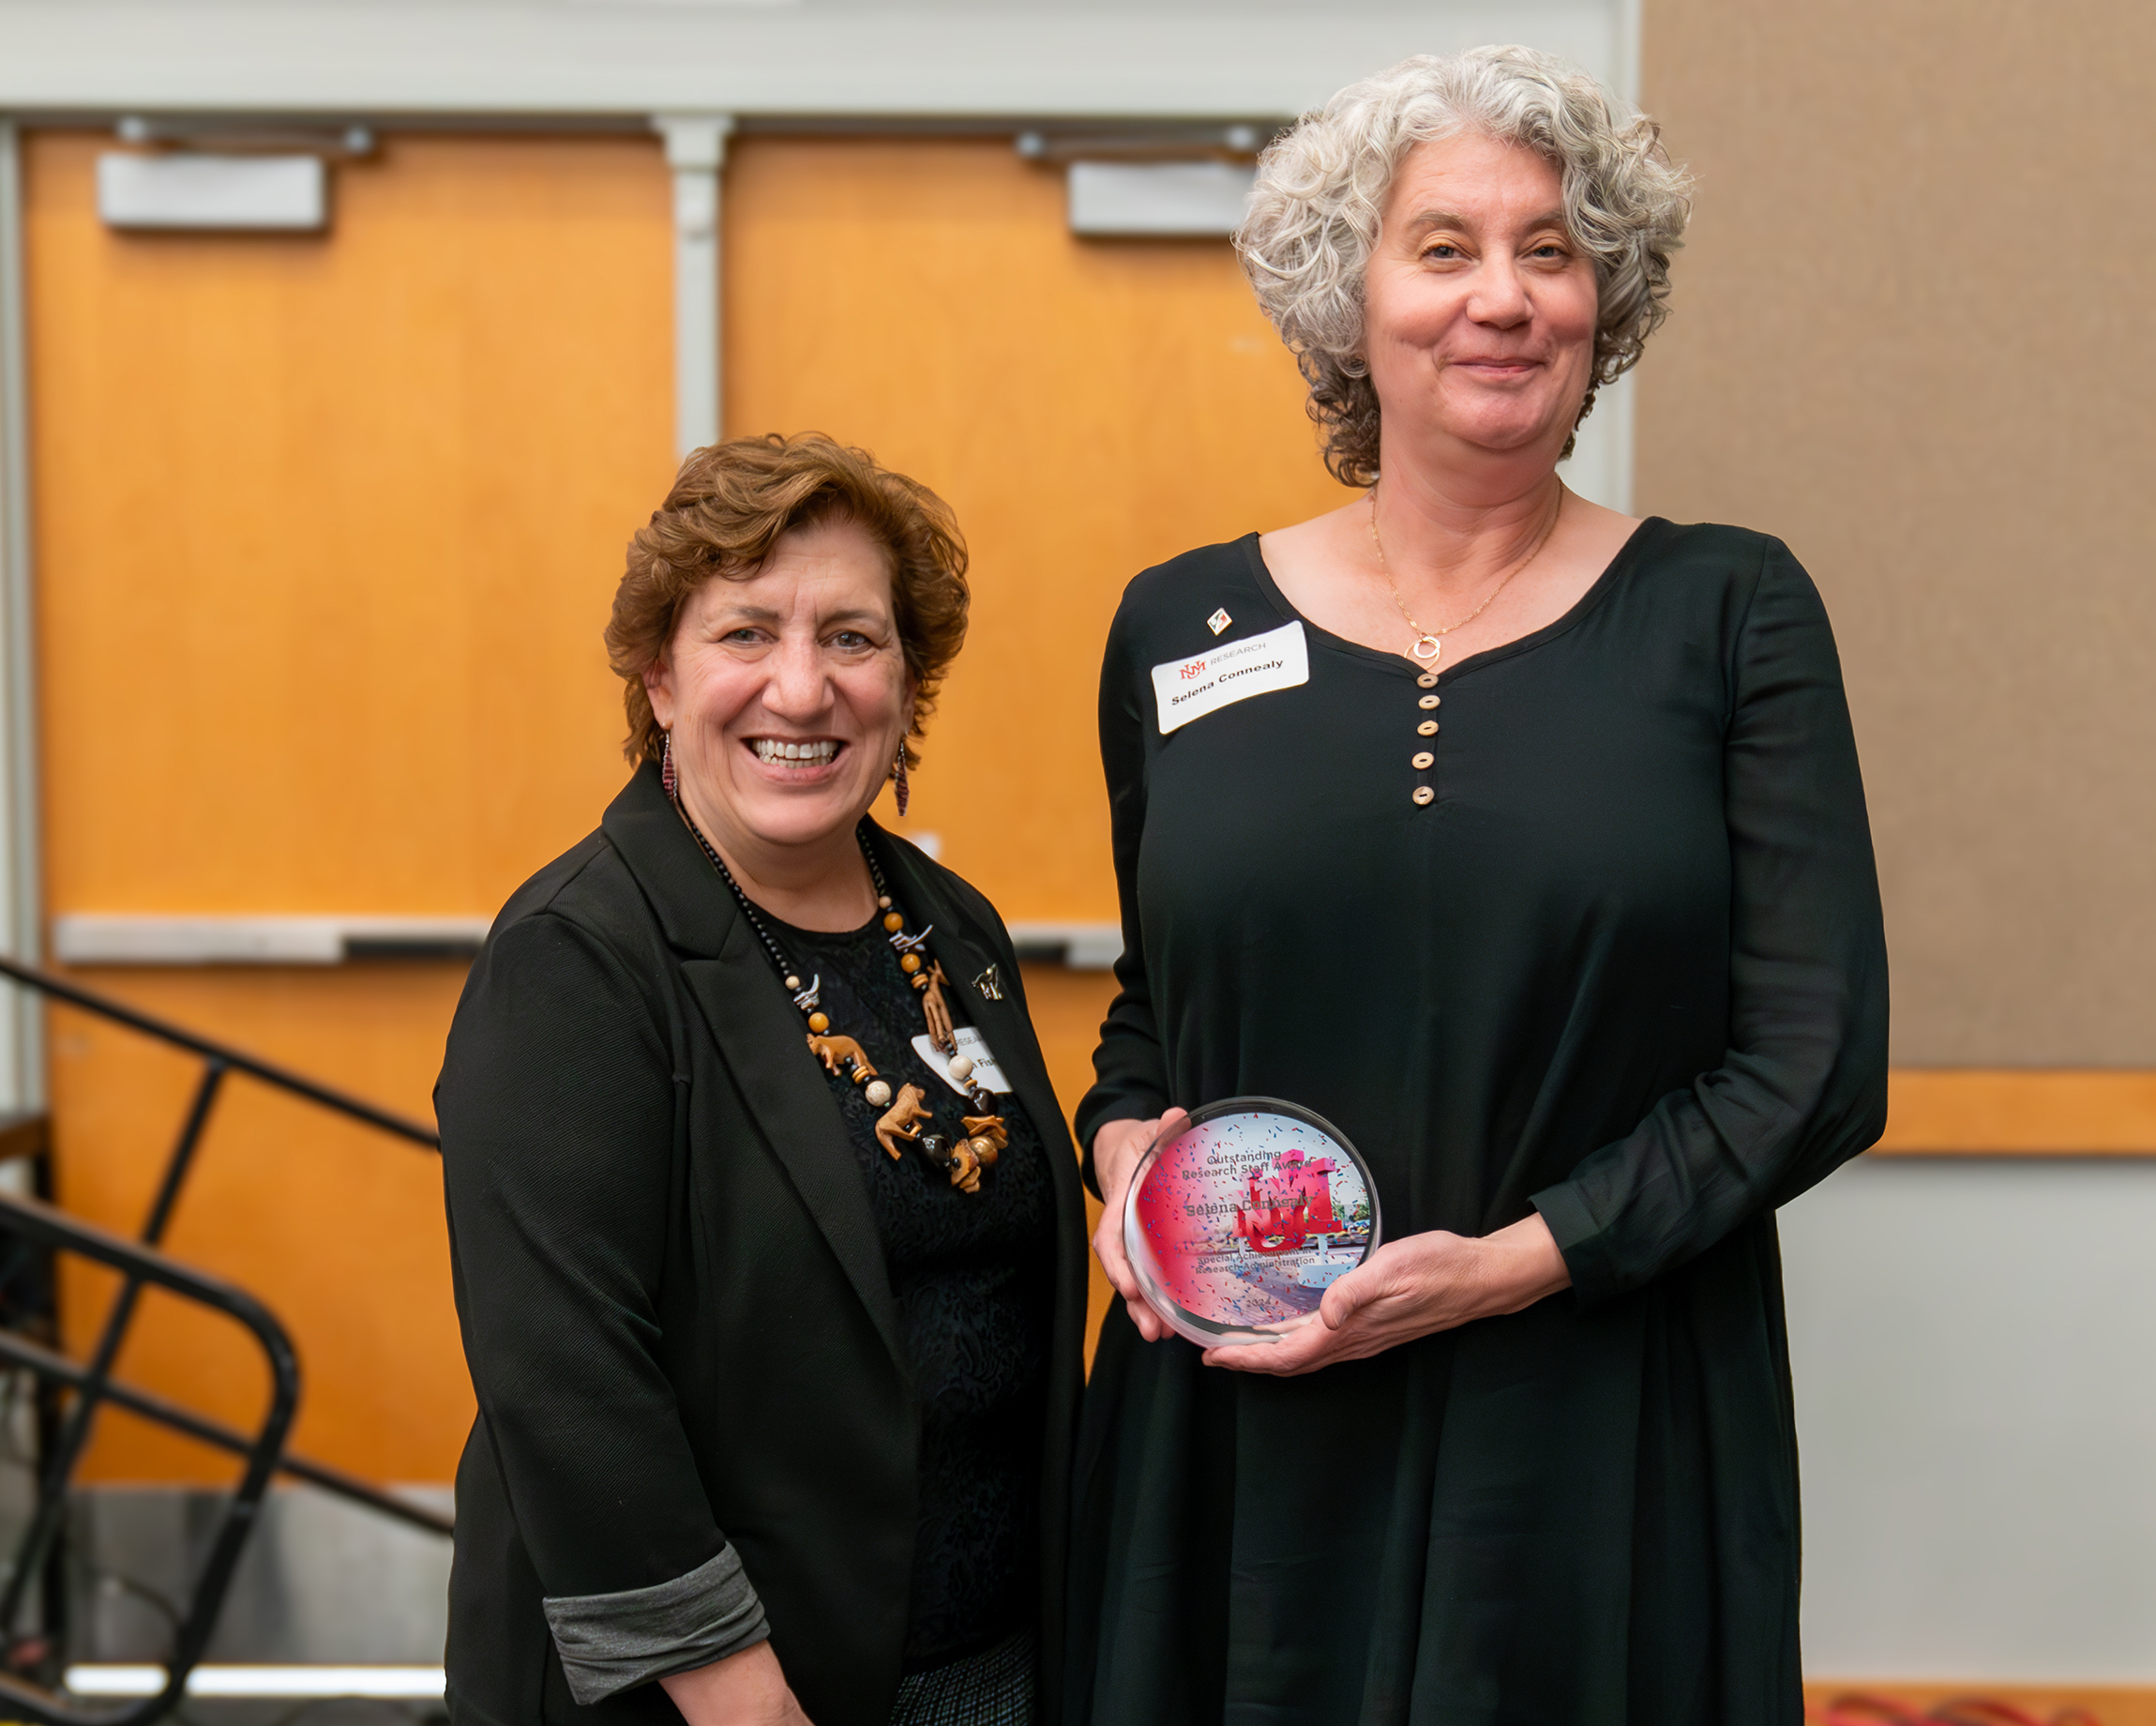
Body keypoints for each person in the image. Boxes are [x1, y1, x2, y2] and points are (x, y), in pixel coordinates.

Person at [1069, 46, 1887, 1726]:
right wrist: (1123, 1150)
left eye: (1552, 249)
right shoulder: (1181, 627)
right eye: (1443, 248)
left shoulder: (1731, 617)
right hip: (1242, 1420)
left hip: (1599, 1415)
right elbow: (1157, 1005)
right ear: (1344, 299)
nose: (1501, 299)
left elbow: (1812, 1064)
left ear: (1607, 300)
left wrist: (1510, 1264)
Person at [437, 433, 1089, 1726]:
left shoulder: (946, 925)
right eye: (745, 634)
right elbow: (566, 1379)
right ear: (658, 677)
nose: (803, 689)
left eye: (852, 638)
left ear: (908, 682)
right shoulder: (579, 955)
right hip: (728, 1695)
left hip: (981, 1667)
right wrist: (739, 1696)